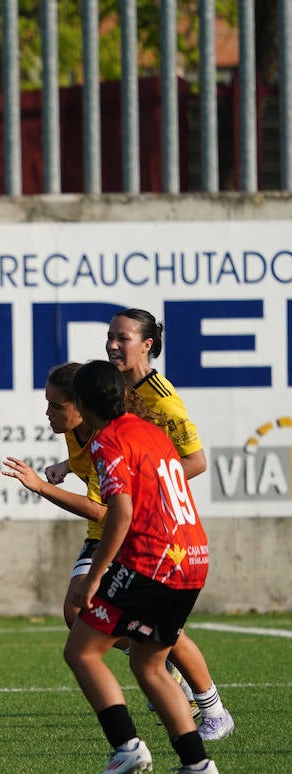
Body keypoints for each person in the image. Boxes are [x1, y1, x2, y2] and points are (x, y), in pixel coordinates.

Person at [61, 360, 219, 774]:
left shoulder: (108, 439)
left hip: (156, 559)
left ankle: (126, 746)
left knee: (82, 651)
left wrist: (95, 577)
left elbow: (121, 513)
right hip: (194, 556)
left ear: (82, 404)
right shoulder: (150, 430)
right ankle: (198, 767)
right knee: (150, 665)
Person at [104, 307, 233, 742]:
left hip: (163, 532)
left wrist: (146, 481)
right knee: (128, 624)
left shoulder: (161, 397)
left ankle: (207, 707)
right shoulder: (117, 389)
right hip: (137, 526)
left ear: (148, 345)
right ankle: (182, 693)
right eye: (110, 336)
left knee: (130, 623)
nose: (113, 345)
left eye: (123, 338)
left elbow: (195, 461)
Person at [1, 363, 107, 628]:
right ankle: (155, 656)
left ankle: (155, 653)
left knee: (84, 630)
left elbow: (98, 509)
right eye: (48, 404)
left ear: (82, 405)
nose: (49, 413)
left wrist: (40, 486)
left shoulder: (107, 439)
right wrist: (67, 465)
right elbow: (88, 461)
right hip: (101, 532)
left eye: (57, 407)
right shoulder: (74, 429)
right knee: (76, 613)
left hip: (131, 533)